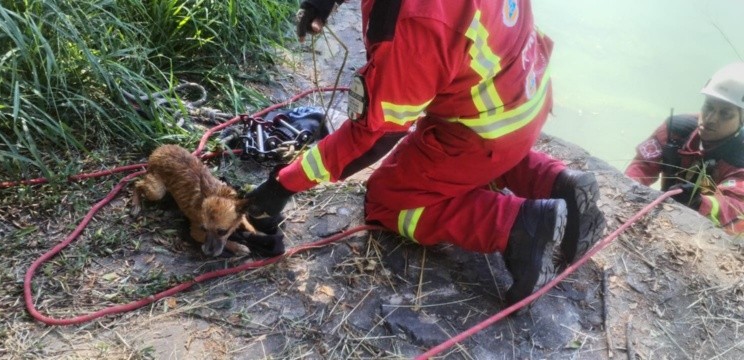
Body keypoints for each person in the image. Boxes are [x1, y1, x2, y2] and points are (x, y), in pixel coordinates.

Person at [245, 0, 605, 306]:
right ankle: (555, 182)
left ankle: (517, 227)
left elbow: (372, 137)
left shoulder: (414, 22)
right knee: (463, 140)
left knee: (388, 199)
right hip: (522, 94)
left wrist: (280, 187)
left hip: (484, 132)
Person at [626, 62, 744, 234]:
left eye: (725, 114)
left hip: (710, 231)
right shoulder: (676, 129)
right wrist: (630, 190)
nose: (710, 118)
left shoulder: (740, 159)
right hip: (667, 212)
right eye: (708, 107)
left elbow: (737, 210)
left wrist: (698, 202)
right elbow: (641, 166)